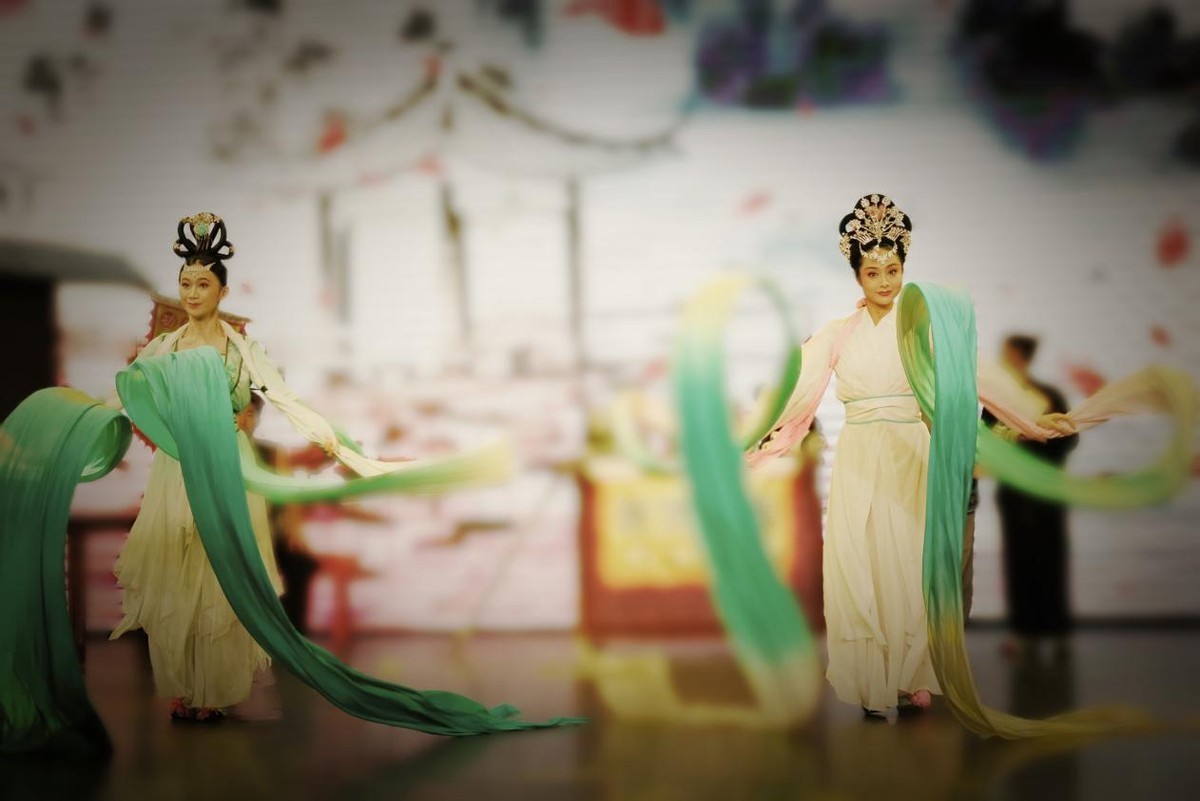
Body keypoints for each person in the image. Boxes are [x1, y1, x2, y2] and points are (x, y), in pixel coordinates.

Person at [750, 194, 1071, 719]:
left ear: (904, 268)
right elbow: (792, 389)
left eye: (893, 270)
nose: (884, 282)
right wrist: (749, 435)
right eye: (872, 272)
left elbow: (976, 378)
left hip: (910, 453)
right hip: (860, 457)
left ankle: (913, 677)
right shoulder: (836, 335)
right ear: (857, 275)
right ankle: (874, 683)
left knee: (910, 564)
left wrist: (1030, 420)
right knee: (861, 563)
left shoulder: (922, 328)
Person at [111, 212, 285, 722]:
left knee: (217, 568)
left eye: (202, 284)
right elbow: (131, 396)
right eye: (185, 283)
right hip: (179, 465)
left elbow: (276, 394)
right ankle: (184, 686)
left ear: (222, 292)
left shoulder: (242, 348)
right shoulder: (165, 346)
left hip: (227, 463)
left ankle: (215, 690)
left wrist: (312, 430)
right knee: (177, 568)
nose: (191, 293)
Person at [983, 335, 1078, 657]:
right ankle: (1024, 630)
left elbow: (1070, 437)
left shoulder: (1049, 395)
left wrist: (1041, 437)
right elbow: (984, 438)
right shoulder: (996, 399)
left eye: (1008, 354)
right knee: (1018, 558)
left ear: (1020, 356)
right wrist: (1015, 437)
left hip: (1047, 487)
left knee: (1051, 556)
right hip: (1013, 488)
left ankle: (1057, 629)